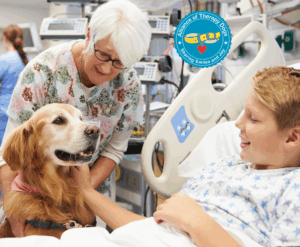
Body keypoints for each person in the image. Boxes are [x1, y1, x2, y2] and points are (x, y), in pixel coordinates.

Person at [71, 66, 300, 247]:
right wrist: (86, 192)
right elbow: (153, 231)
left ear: (292, 138)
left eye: (254, 119)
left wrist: (197, 222)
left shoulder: (292, 188)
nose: (238, 124)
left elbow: (187, 224)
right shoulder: (223, 167)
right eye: (243, 112)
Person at [0, 0, 151, 237]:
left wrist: (79, 193)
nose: (106, 70)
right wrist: (17, 223)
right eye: (103, 54)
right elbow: (10, 153)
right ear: (89, 34)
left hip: (88, 199)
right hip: (32, 201)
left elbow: (114, 148)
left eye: (119, 62)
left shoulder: (129, 84)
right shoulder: (42, 71)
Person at [0, 24, 30, 147]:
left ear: (5, 39)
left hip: (3, 115)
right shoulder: (31, 61)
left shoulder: (3, 60)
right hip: (24, 115)